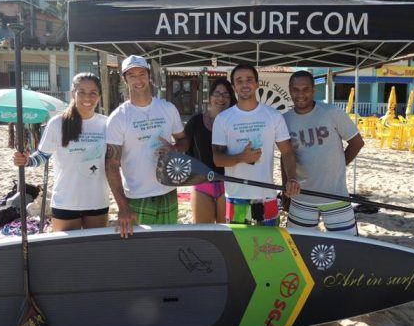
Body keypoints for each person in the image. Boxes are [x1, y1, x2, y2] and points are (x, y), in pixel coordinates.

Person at [13, 72, 110, 231]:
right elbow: (42, 156)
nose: (87, 98)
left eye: (93, 93)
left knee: (95, 253)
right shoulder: (57, 123)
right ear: (73, 93)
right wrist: (26, 160)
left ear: (99, 96)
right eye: (82, 92)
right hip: (66, 201)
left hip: (97, 200)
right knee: (66, 254)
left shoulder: (106, 124)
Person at [106, 55, 187, 237]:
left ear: (149, 76)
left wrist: (174, 149)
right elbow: (111, 164)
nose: (138, 80)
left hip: (168, 190)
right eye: (132, 75)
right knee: (142, 254)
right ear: (124, 79)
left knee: (168, 247)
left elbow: (184, 140)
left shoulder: (167, 108)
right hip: (136, 196)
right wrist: (122, 207)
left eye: (141, 73)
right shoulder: (118, 117)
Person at [212, 64, 300, 226]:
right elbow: (217, 159)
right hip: (235, 196)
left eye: (249, 80)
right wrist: (241, 157)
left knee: (269, 247)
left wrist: (292, 178)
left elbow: (287, 152)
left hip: (267, 195)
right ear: (234, 87)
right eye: (239, 81)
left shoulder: (273, 116)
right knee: (239, 248)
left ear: (257, 83)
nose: (245, 84)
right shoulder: (223, 119)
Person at [283, 70, 365, 236]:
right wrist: (286, 189)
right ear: (290, 91)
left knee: (347, 248)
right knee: (299, 248)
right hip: (301, 197)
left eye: (305, 89)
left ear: (314, 90)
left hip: (336, 196)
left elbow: (357, 143)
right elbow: (286, 156)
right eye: (296, 89)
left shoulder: (332, 112)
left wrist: (338, 166)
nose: (300, 94)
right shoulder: (284, 120)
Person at [184, 78, 237, 223]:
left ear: (231, 98)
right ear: (210, 98)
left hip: (229, 185)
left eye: (226, 94)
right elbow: (184, 148)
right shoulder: (196, 121)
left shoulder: (237, 124)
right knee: (204, 234)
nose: (221, 98)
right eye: (217, 93)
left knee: (227, 236)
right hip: (202, 184)